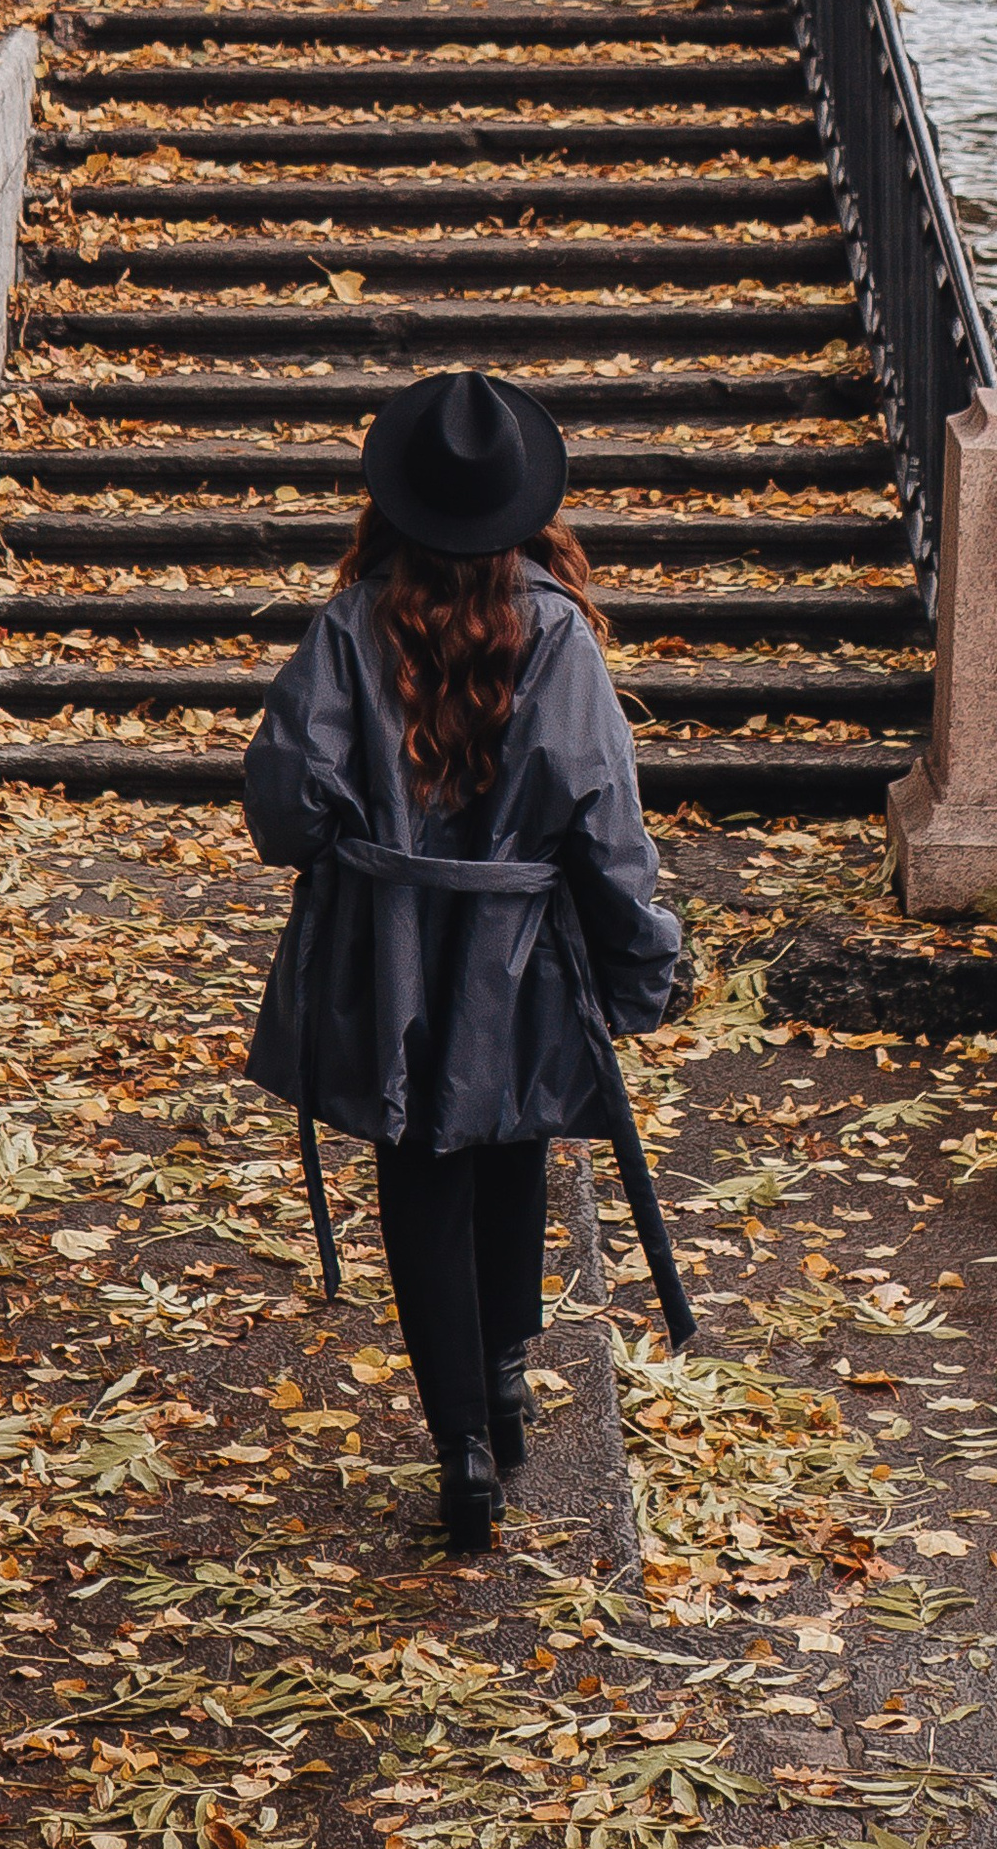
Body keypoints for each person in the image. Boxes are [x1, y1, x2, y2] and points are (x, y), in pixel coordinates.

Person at [242, 367, 681, 1554]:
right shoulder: (557, 635)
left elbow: (283, 801)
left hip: (387, 958)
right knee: (510, 1142)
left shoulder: (349, 628)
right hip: (525, 955)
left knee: (420, 1164)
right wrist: (643, 961)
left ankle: (464, 1448)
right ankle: (498, 1377)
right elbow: (605, 820)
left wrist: (360, 849)